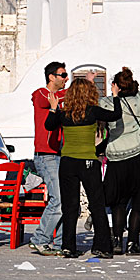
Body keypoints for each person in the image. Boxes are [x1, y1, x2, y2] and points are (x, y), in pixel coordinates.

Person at [45, 78, 121, 258]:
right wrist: (115, 96)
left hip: (68, 162)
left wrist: (53, 107)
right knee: (97, 204)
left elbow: (49, 125)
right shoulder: (93, 111)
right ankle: (103, 246)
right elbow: (116, 114)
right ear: (90, 94)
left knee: (69, 206)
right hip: (88, 161)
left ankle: (68, 247)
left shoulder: (64, 113)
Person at [100, 38, 140, 256]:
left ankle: (117, 241)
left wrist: (91, 82)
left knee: (118, 201)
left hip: (116, 158)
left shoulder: (107, 103)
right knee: (139, 201)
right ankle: (133, 243)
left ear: (115, 85)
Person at [29, 61, 68, 256]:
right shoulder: (40, 94)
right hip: (46, 156)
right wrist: (75, 91)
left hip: (59, 154)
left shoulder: (59, 98)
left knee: (64, 200)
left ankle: (60, 242)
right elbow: (46, 100)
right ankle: (40, 239)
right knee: (58, 199)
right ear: (51, 76)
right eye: (62, 75)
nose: (66, 78)